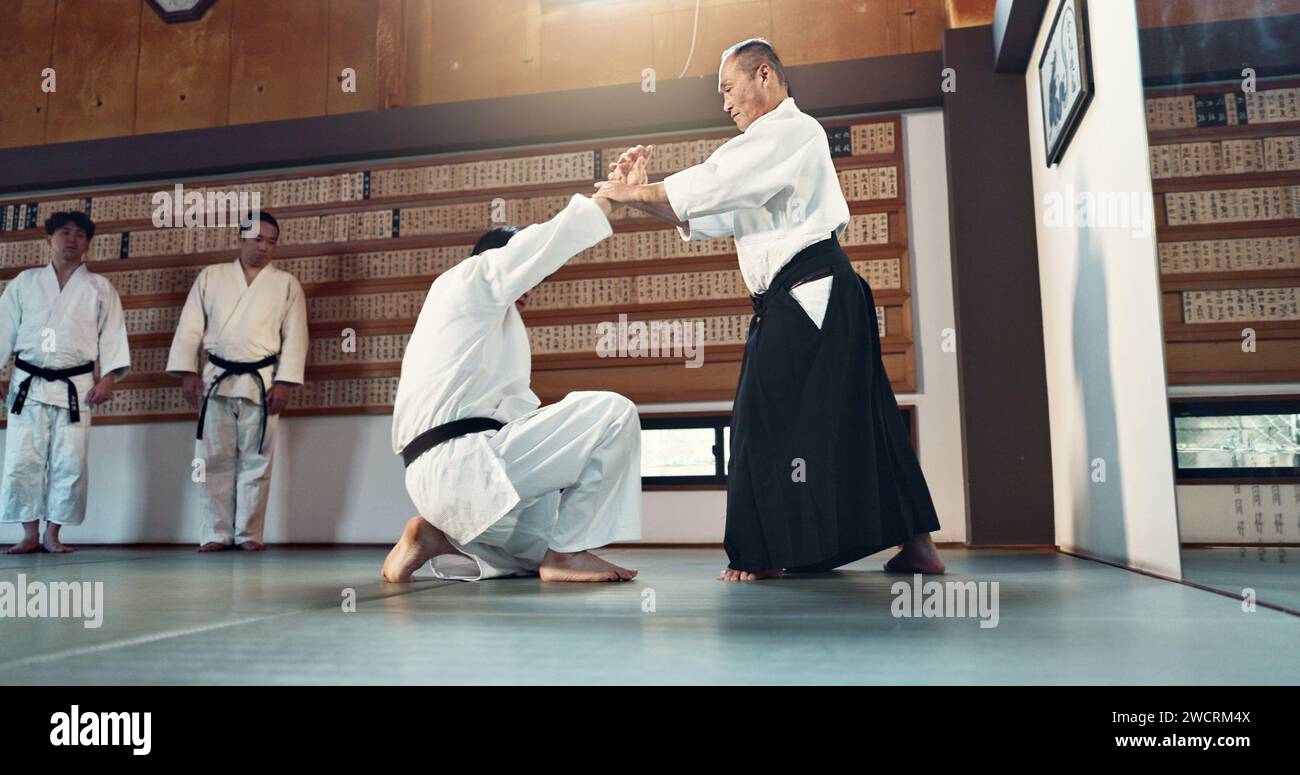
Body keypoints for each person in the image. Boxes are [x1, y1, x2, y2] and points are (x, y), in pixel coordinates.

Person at [596, 38, 945, 581]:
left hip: (812, 292)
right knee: (861, 416)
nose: (726, 104)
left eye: (729, 89)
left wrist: (637, 194)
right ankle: (913, 544)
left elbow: (716, 182)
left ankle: (759, 553)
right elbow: (706, 214)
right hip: (815, 296)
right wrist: (644, 197)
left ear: (764, 76)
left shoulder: (790, 130)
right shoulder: (768, 152)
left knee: (761, 419)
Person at [382, 193, 643, 583]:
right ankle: (566, 557)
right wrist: (607, 202)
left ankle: (436, 537)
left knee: (531, 559)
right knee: (613, 412)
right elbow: (544, 243)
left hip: (452, 478)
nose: (531, 284)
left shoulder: (476, 320)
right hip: (461, 462)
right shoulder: (468, 279)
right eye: (528, 271)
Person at [165, 210, 308, 552]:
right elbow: (190, 328)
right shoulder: (211, 278)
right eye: (257, 239)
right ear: (240, 238)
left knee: (257, 460)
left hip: (262, 380)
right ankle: (216, 533)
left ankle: (248, 534)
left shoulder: (286, 284)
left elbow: (296, 337)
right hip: (216, 379)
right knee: (212, 459)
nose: (264, 248)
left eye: (271, 242)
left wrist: (286, 382)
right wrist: (187, 371)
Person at [0, 211, 131, 554]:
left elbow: (113, 336)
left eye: (79, 234)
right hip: (27, 383)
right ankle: (28, 533)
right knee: (21, 459)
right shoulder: (25, 282)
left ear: (88, 244)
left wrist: (109, 379)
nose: (71, 239)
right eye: (64, 232)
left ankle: (53, 533)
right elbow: (3, 329)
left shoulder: (99, 288)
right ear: (49, 239)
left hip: (78, 386)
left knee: (69, 462)